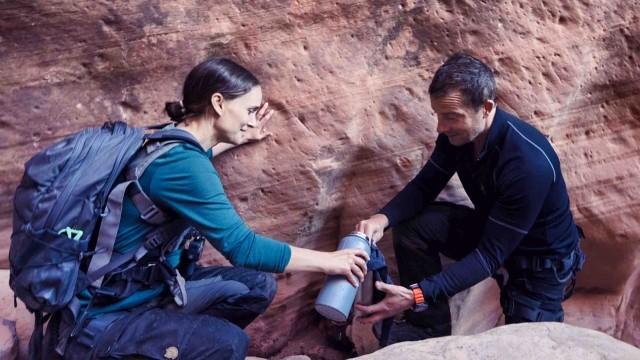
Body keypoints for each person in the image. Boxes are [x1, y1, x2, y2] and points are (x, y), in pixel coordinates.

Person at [60, 58, 369, 360]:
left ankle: (174, 342)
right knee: (229, 343)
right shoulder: (184, 166)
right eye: (248, 110)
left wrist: (238, 137)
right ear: (219, 103)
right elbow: (244, 249)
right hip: (102, 319)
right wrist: (331, 262)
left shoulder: (167, 142)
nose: (251, 119)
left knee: (255, 287)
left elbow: (199, 152)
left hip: (146, 293)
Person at [354, 53, 585, 344]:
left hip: (539, 264)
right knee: (414, 226)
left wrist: (415, 295)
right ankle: (427, 327)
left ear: (486, 108)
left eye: (451, 116)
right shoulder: (459, 137)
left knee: (527, 344)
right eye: (438, 115)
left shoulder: (527, 165)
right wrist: (380, 219)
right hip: (495, 232)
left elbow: (489, 256)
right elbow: (426, 185)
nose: (441, 127)